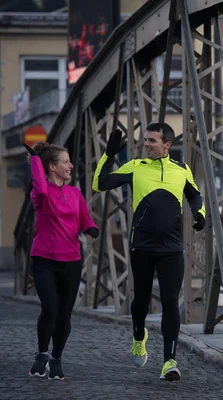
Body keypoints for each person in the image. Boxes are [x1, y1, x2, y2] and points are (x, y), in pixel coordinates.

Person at [92, 122, 206, 381]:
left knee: (170, 302)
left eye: (152, 141)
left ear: (167, 144)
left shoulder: (181, 169)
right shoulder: (135, 167)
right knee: (141, 300)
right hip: (142, 246)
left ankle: (169, 360)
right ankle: (138, 334)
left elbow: (195, 195)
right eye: (145, 140)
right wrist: (109, 156)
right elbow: (99, 184)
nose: (146, 144)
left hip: (172, 249)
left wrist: (200, 214)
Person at [24, 141, 100, 380]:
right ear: (52, 166)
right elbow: (44, 189)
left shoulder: (74, 193)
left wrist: (91, 228)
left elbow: (84, 218)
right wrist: (36, 160)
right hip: (44, 259)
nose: (70, 166)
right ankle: (42, 353)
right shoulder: (39, 193)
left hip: (71, 261)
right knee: (50, 308)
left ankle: (56, 358)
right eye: (65, 162)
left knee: (65, 315)